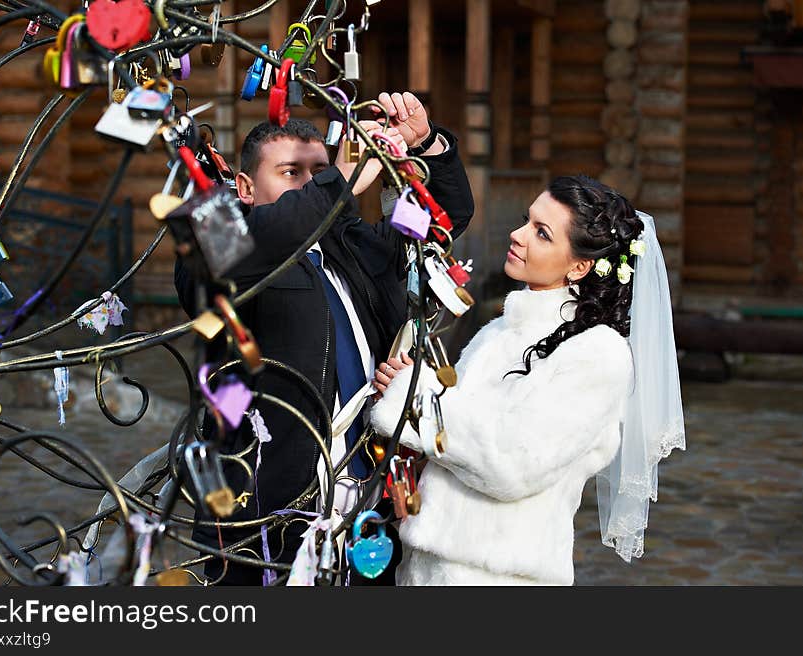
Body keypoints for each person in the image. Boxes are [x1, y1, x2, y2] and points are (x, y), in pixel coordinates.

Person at [174, 91, 474, 585]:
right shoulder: (217, 242)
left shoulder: (350, 242)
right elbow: (267, 236)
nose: (312, 185)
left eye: (318, 172)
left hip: (368, 500)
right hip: (266, 509)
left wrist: (429, 144)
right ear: (246, 187)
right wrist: (340, 179)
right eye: (293, 173)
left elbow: (444, 223)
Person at [370, 174, 685, 585]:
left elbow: (512, 463)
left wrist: (417, 398)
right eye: (526, 220)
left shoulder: (598, 355)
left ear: (579, 265)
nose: (517, 235)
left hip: (497, 576)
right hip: (427, 566)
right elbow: (454, 443)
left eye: (541, 233)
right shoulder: (499, 331)